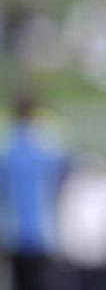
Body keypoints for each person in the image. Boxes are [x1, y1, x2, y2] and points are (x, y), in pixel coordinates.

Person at [0, 93, 70, 290]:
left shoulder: (7, 145)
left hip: (13, 230)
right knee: (40, 281)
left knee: (20, 280)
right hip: (41, 230)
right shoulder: (46, 144)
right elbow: (61, 176)